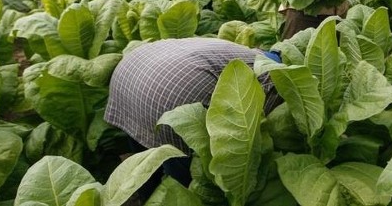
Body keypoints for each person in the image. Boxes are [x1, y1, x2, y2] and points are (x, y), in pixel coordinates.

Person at [103, 37, 282, 193]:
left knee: (141, 164)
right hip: (173, 96)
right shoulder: (274, 76)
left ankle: (148, 195)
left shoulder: (235, 51)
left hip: (130, 70)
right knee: (194, 181)